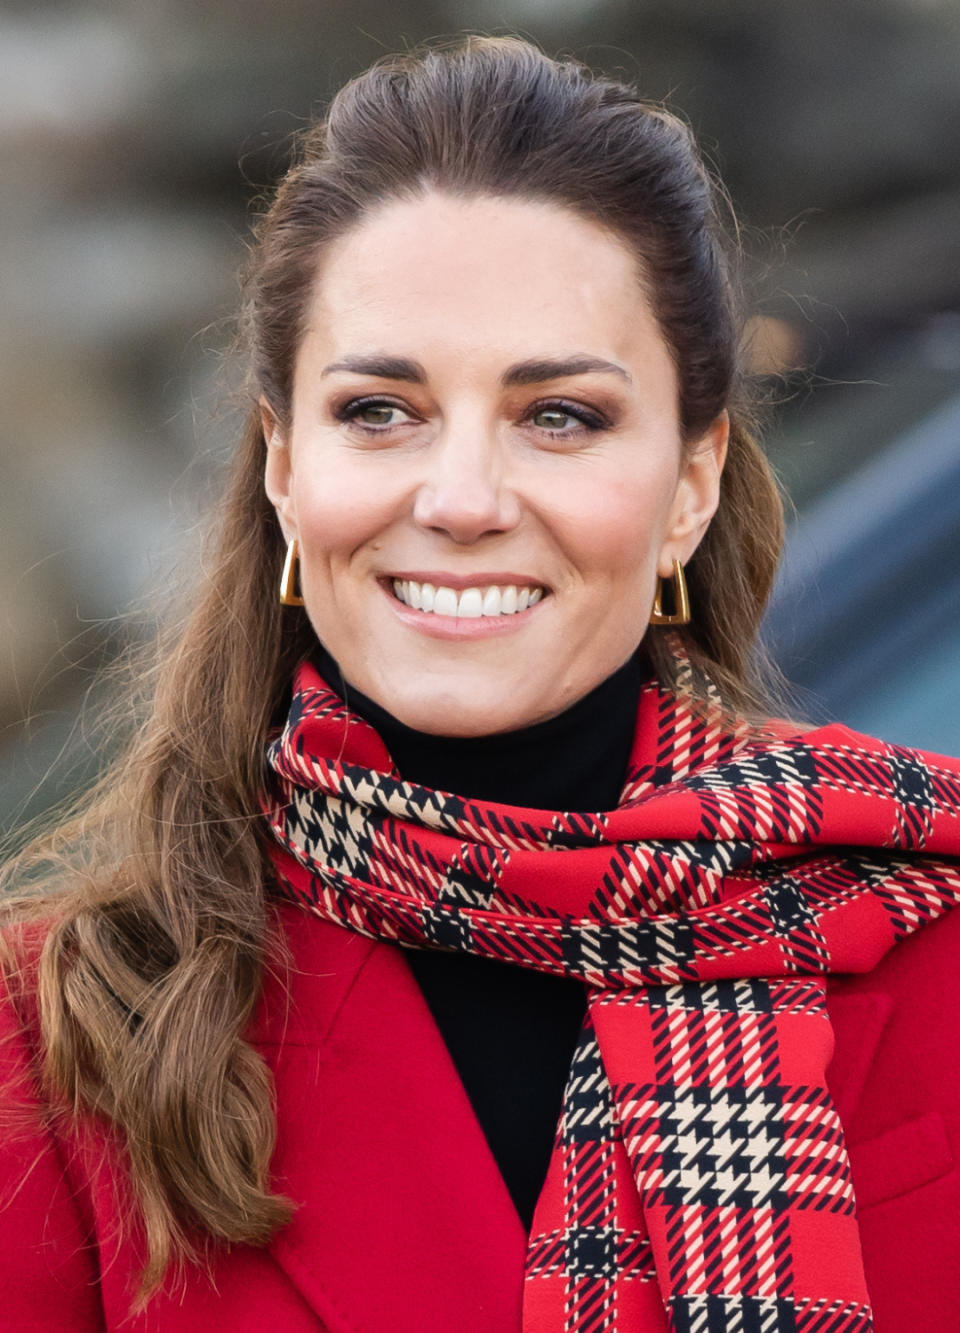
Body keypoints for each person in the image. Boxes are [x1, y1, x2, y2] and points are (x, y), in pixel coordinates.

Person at [2, 35, 959, 1333]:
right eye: (380, 411)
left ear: (690, 485)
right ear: (284, 464)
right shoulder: (60, 1038)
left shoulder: (925, 934)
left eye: (559, 414)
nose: (460, 501)